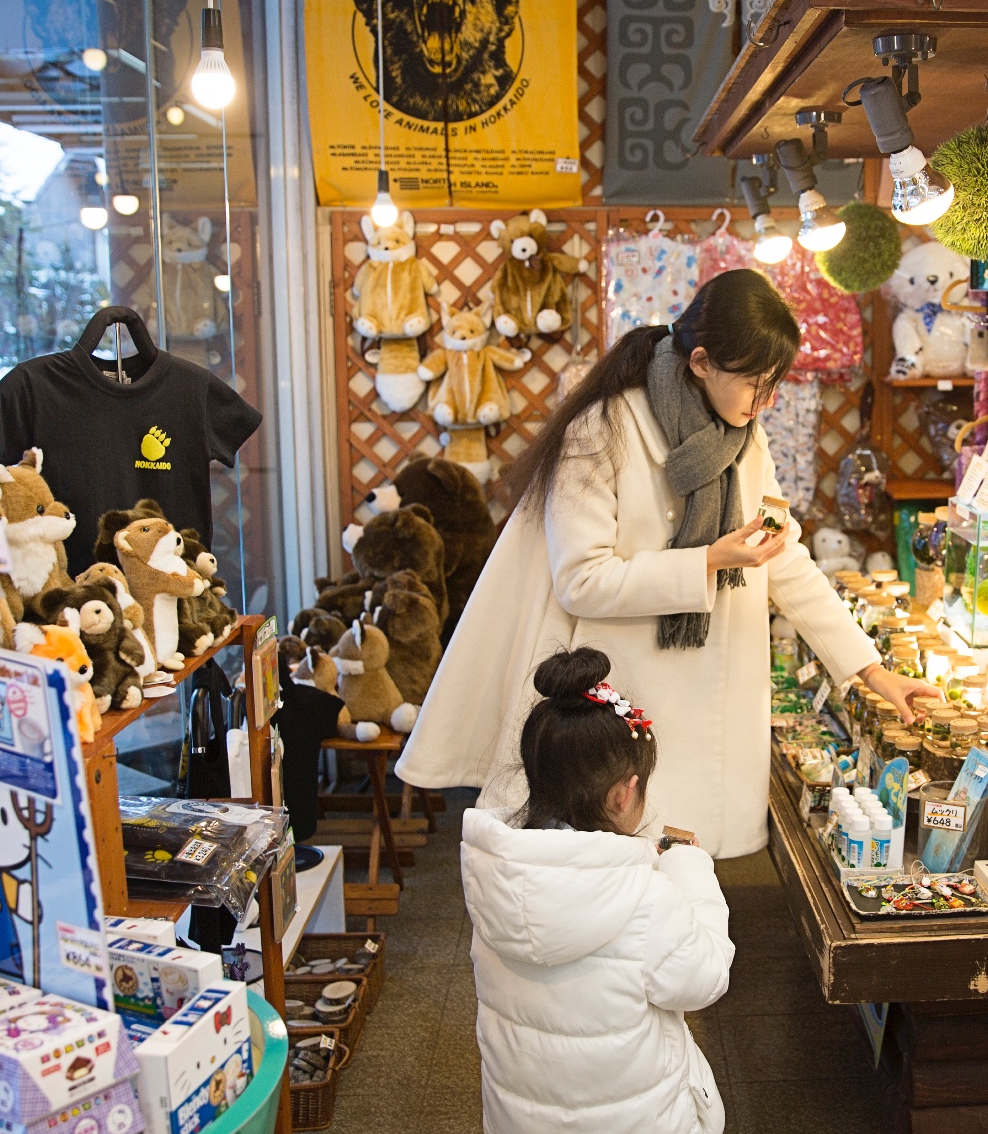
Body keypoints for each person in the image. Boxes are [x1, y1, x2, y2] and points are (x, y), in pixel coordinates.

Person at [400, 268, 938, 856]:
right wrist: (706, 561)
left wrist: (872, 672)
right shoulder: (602, 430)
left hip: (718, 701)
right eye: (757, 384)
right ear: (702, 361)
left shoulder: (744, 436)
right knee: (619, 869)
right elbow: (580, 581)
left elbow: (786, 562)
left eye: (775, 385)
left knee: (694, 878)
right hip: (626, 696)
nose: (768, 402)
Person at [462, 648, 732, 1134]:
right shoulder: (643, 894)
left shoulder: (495, 874)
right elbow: (704, 976)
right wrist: (689, 866)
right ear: (624, 794)